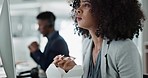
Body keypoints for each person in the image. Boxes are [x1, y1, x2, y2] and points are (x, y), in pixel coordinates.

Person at [53, 0, 145, 78]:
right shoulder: (87, 43)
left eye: (86, 5)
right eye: (78, 5)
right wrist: (74, 69)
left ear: (105, 11)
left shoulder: (125, 48)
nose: (78, 10)